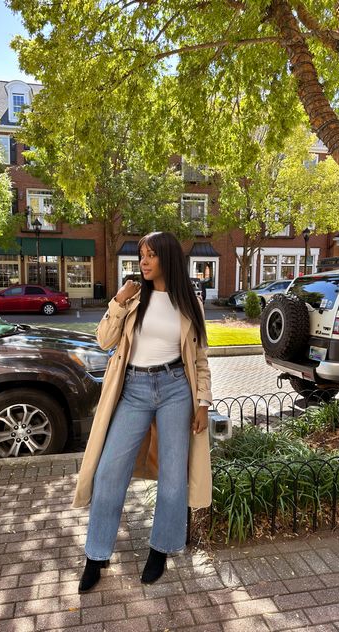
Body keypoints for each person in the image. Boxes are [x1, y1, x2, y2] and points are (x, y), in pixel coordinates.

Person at [73, 231, 212, 593]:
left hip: (175, 390)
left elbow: (199, 359)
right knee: (108, 472)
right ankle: (96, 555)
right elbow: (104, 339)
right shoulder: (134, 297)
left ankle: (160, 550)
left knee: (172, 475)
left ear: (167, 258)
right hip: (133, 389)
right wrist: (117, 301)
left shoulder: (189, 303)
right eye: (141, 256)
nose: (143, 262)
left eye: (150, 256)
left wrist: (203, 403)